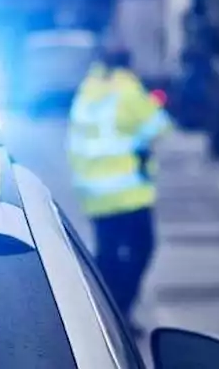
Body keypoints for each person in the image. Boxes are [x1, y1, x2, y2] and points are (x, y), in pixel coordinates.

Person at [67, 41, 171, 336]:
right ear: (128, 63)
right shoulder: (126, 89)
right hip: (127, 192)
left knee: (108, 255)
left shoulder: (89, 88)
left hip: (93, 190)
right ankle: (118, 312)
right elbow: (159, 125)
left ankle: (100, 311)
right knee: (142, 248)